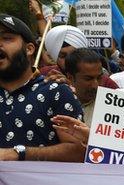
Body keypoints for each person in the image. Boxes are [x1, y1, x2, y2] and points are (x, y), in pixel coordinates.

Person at [0, 14, 84, 162]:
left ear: (29, 49)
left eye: (6, 38)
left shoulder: (56, 92)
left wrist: (19, 154)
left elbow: (79, 151)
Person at [41, 25, 118, 90]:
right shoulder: (46, 75)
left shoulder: (104, 82)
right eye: (62, 56)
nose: (68, 60)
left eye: (74, 54)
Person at [64, 48, 105, 126]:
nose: (95, 85)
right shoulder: (58, 103)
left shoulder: (111, 106)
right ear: (70, 78)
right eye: (88, 79)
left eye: (99, 78)